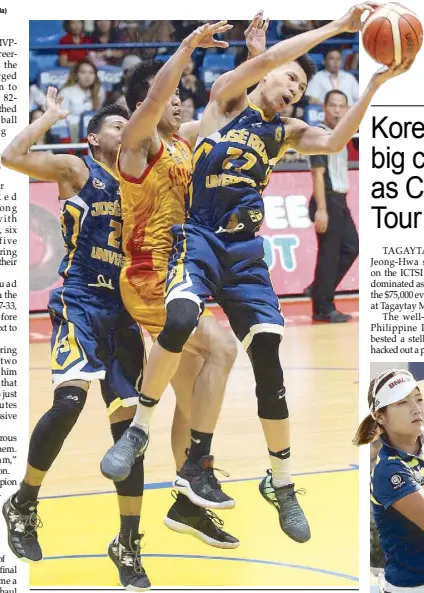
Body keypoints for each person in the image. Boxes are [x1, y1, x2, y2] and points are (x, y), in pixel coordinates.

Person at [101, 4, 413, 544]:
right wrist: (337, 28)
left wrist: (376, 85)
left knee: (266, 356)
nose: (294, 87)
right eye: (289, 77)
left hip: (243, 250)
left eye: (300, 86)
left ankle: (281, 481)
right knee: (180, 323)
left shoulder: (288, 130)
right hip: (196, 239)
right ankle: (140, 435)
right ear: (265, 72)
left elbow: (336, 141)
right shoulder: (224, 101)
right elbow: (269, 59)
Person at [101, 22, 244, 548]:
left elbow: (224, 108)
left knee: (193, 398)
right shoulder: (138, 146)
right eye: (174, 96)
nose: (181, 104)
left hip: (183, 277)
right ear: (147, 103)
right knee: (224, 348)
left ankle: (187, 500)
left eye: (185, 97)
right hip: (147, 276)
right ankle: (142, 432)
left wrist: (256, 54)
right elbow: (155, 97)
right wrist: (184, 48)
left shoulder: (183, 143)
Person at [1, 93, 150, 591]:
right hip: (81, 301)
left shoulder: (141, 182)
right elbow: (11, 156)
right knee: (69, 402)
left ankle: (127, 543)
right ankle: (23, 501)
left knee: (129, 436)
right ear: (94, 138)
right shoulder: (76, 169)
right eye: (117, 124)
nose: (127, 129)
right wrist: (50, 117)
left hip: (124, 314)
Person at [353, 368, 424, 592]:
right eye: (401, 403)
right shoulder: (389, 470)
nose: (415, 408)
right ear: (380, 416)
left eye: (418, 398)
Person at [307, 89, 358, 323]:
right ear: (324, 108)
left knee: (351, 247)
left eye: (342, 106)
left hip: (340, 199)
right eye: (333, 105)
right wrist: (322, 208)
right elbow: (318, 173)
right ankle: (323, 308)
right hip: (326, 199)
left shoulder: (343, 133)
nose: (337, 110)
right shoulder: (319, 134)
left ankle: (319, 289)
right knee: (329, 255)